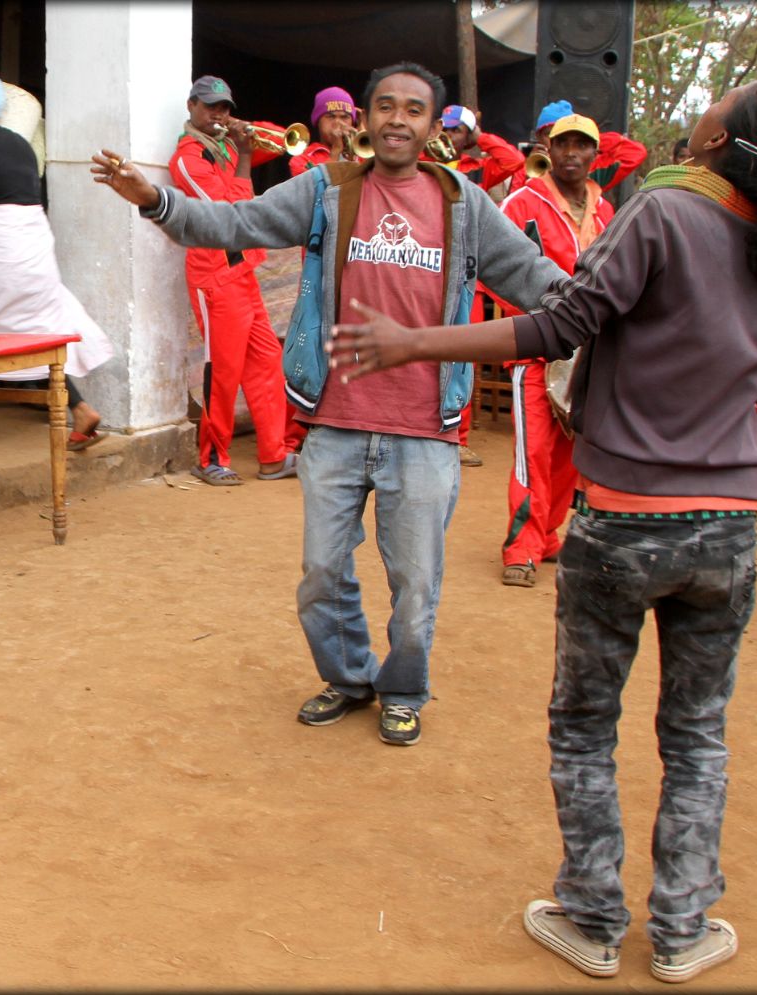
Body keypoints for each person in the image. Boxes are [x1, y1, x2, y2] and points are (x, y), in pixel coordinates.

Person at [328, 76, 757, 984]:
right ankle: (684, 930)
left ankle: (595, 919)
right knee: (697, 734)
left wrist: (414, 344)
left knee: (584, 725)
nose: (704, 110)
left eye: (720, 103)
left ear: (726, 142)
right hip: (729, 529)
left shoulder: (663, 212)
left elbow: (562, 327)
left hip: (623, 521)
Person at [93, 61, 567, 747]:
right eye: (384, 106)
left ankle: (402, 688)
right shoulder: (326, 190)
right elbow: (234, 223)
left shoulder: (465, 204)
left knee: (415, 585)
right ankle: (348, 679)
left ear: (434, 127)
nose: (397, 118)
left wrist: (613, 308)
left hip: (425, 429)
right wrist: (154, 201)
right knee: (321, 575)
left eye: (413, 109)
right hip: (337, 423)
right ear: (366, 120)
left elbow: (541, 281)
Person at [0, 70, 112, 450]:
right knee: (42, 333)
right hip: (37, 252)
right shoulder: (22, 145)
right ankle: (81, 410)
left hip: (1, 256)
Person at [485, 113, 616, 587]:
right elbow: (491, 265)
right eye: (564, 145)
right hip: (538, 350)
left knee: (569, 454)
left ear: (595, 156)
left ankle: (547, 535)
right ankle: (520, 547)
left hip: (588, 354)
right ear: (547, 147)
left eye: (583, 146)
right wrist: (540, 316)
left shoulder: (606, 211)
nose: (573, 154)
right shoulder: (523, 202)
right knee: (533, 453)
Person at [170, 75, 298, 485]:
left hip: (243, 273)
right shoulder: (188, 159)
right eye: (211, 107)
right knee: (221, 373)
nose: (219, 115)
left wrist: (246, 132)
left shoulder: (224, 144)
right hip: (214, 277)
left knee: (266, 364)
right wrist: (244, 154)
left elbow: (279, 137)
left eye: (225, 107)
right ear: (191, 106)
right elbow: (230, 212)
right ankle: (211, 458)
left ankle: (273, 456)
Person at [436, 104, 527, 468]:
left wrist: (479, 138)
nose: (449, 136)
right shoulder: (420, 164)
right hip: (424, 270)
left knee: (463, 355)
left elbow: (514, 161)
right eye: (445, 129)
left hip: (463, 273)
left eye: (458, 131)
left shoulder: (477, 170)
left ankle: (458, 438)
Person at [530, 98, 647, 194]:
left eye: (565, 137)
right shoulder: (527, 167)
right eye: (549, 135)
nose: (569, 150)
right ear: (539, 137)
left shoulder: (592, 170)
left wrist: (591, 138)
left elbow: (636, 152)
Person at [288, 85, 359, 177]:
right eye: (331, 116)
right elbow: (313, 189)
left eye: (345, 117)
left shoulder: (364, 153)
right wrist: (336, 152)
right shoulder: (302, 160)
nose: (338, 123)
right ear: (318, 122)